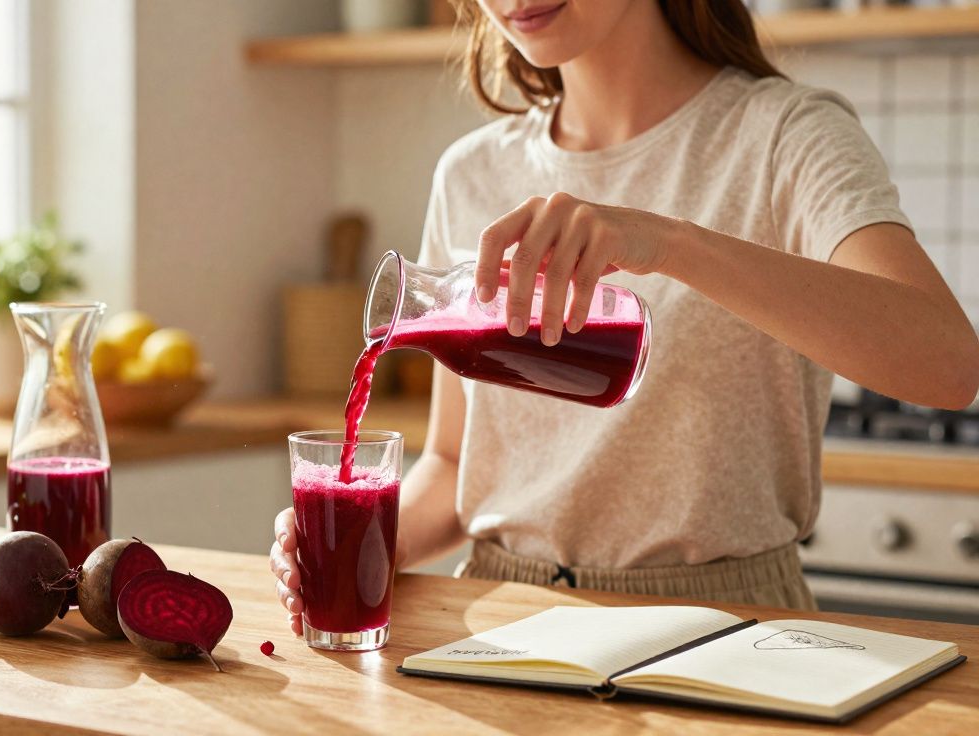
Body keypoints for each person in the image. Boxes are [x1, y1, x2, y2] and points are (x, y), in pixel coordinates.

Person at [269, 0, 979, 634]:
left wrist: (668, 242)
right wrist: (349, 541)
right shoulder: (471, 173)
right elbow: (455, 465)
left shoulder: (784, 137)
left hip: (727, 629)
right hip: (499, 628)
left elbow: (947, 365)